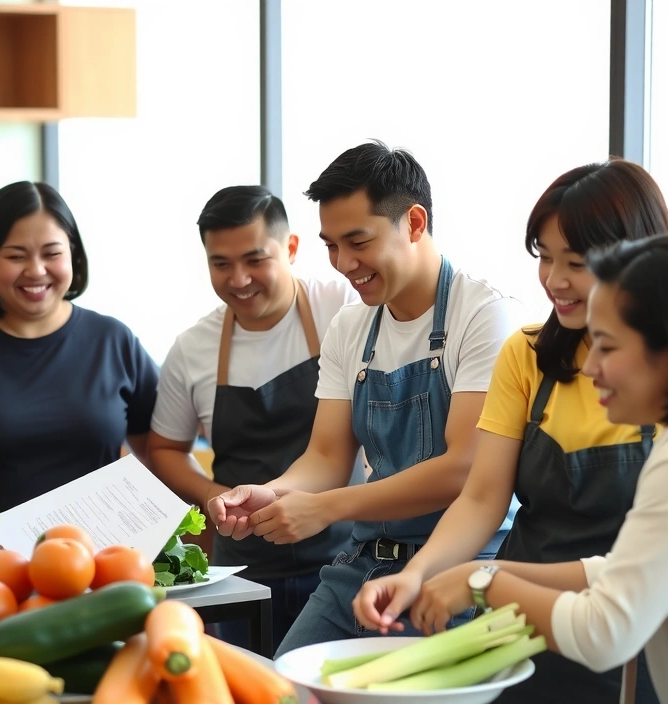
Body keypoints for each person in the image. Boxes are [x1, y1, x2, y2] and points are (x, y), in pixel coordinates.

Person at [388, 235, 668, 704]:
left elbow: (605, 632)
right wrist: (481, 573)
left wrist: (486, 583)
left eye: (608, 347)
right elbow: (624, 570)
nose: (591, 367)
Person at [354, 159, 668, 703]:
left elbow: (650, 566)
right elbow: (481, 496)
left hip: (633, 622)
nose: (554, 280)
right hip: (521, 617)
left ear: (640, 259)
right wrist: (420, 573)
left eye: (577, 261)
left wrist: (482, 578)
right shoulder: (525, 353)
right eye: (545, 258)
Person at [208, 141, 524, 657]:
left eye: (358, 241)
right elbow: (327, 456)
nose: (343, 263)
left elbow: (463, 468)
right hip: (360, 564)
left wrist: (325, 508)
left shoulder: (484, 315)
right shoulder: (352, 325)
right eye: (331, 245)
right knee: (282, 686)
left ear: (414, 223)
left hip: (457, 567)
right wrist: (275, 492)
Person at [147, 185, 363, 653]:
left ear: (291, 248)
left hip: (347, 559)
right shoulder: (192, 348)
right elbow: (165, 448)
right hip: (241, 570)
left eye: (255, 259)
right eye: (220, 264)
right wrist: (213, 495)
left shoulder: (345, 310)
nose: (239, 279)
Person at [0, 181, 158, 512]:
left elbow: (160, 453)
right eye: (16, 256)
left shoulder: (114, 340)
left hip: (98, 555)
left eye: (52, 253)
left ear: (73, 254)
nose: (36, 271)